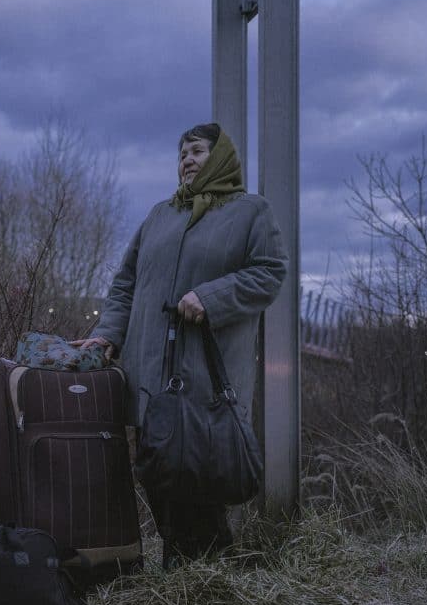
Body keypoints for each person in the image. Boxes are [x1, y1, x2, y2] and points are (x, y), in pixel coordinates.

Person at [73, 122, 287, 567]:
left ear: (221, 157)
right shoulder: (159, 215)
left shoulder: (250, 212)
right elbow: (126, 284)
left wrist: (210, 297)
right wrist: (109, 333)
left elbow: (269, 273)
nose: (186, 160)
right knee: (158, 472)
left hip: (205, 376)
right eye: (182, 154)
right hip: (148, 372)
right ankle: (181, 571)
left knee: (199, 476)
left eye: (197, 151)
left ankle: (206, 574)